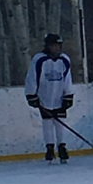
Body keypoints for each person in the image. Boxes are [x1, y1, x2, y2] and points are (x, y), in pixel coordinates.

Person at [24, 33, 75, 163]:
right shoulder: (39, 59)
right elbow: (32, 77)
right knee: (47, 122)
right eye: (53, 46)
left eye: (58, 46)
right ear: (47, 46)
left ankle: (62, 146)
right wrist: (31, 94)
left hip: (59, 96)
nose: (55, 48)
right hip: (44, 97)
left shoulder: (64, 59)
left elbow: (67, 78)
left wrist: (68, 95)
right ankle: (50, 148)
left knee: (60, 121)